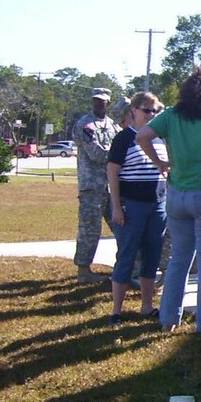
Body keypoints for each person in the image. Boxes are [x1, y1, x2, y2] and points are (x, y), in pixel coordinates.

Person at [137, 67, 201, 335]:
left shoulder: (171, 115)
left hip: (175, 194)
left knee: (179, 258)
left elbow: (142, 136)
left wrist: (160, 162)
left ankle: (168, 319)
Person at [107, 93, 168, 324]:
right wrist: (117, 207)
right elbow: (112, 171)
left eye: (155, 111)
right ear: (133, 110)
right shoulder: (124, 138)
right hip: (131, 206)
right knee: (127, 256)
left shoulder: (159, 138)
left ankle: (146, 306)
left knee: (152, 257)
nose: (151, 115)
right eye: (147, 110)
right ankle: (116, 311)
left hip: (158, 205)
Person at [72, 87, 118, 284]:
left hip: (112, 187)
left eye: (103, 101)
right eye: (96, 100)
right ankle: (84, 270)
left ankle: (124, 266)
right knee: (90, 229)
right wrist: (120, 155)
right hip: (92, 186)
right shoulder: (85, 125)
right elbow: (96, 154)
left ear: (108, 103)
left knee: (122, 228)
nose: (99, 104)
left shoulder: (113, 126)